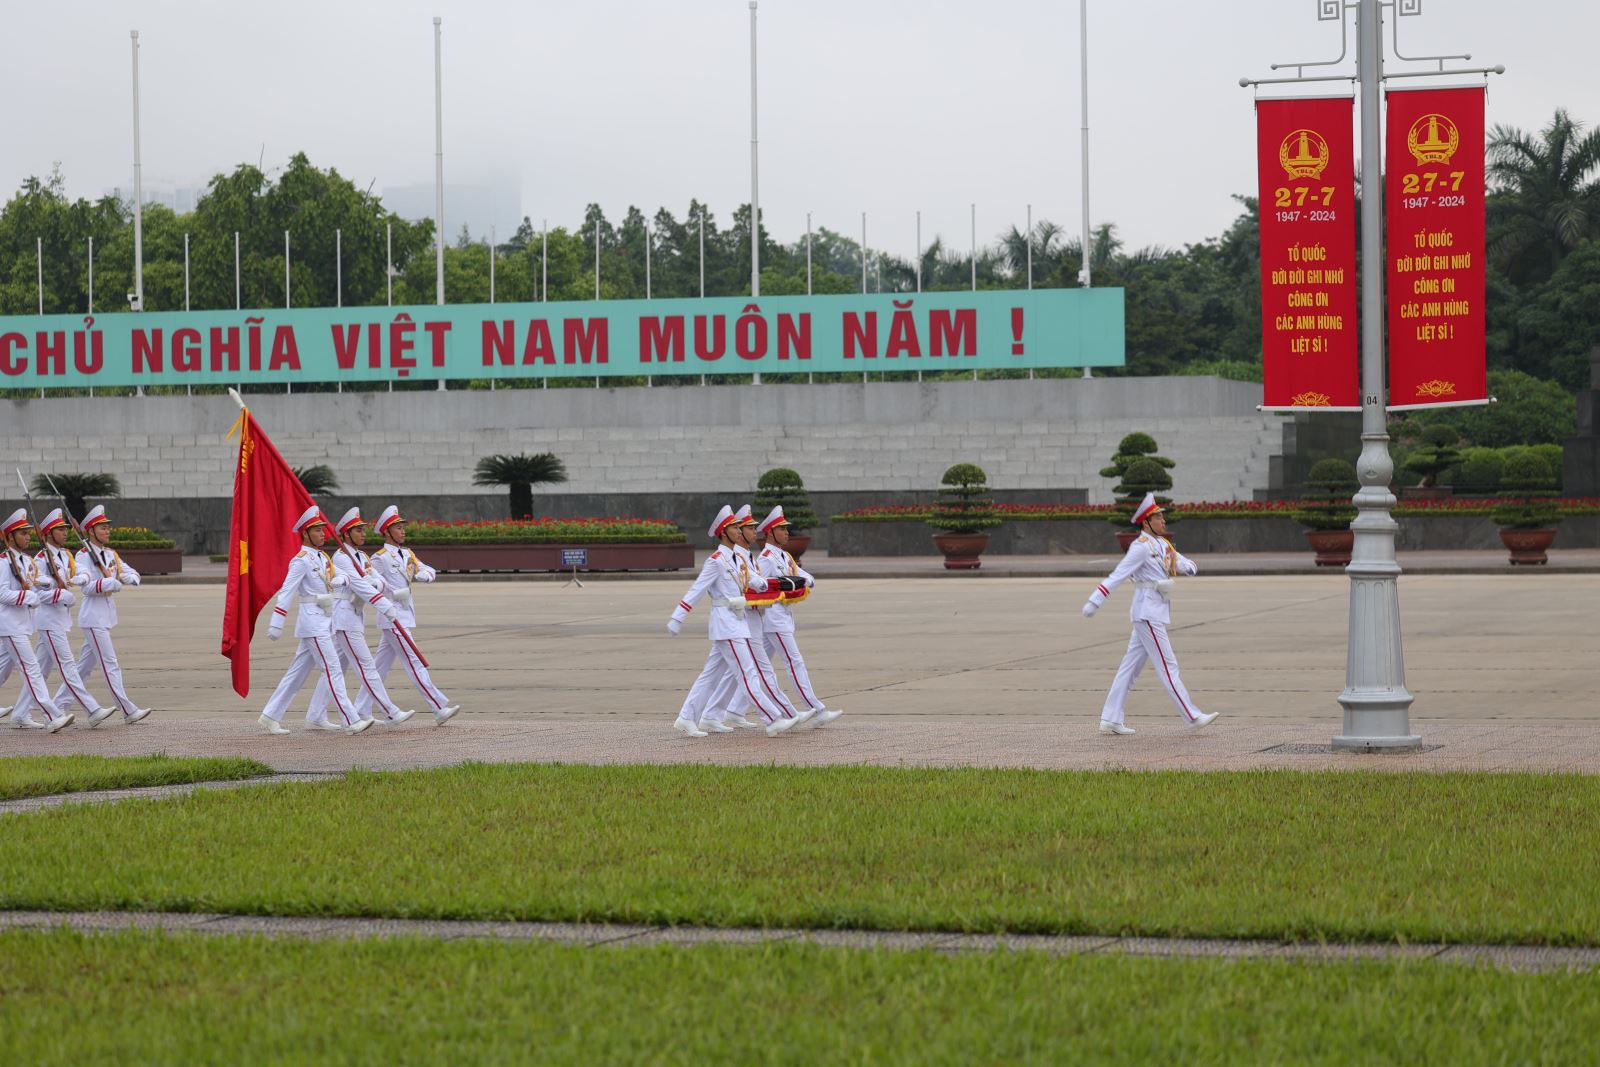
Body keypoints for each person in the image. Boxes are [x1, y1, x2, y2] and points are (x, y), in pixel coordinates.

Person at [1082, 492, 1218, 735]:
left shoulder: (1161, 544)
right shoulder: (1140, 548)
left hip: (1155, 608)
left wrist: (1186, 567)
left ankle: (1111, 718)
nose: (1163, 521)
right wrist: (1096, 599)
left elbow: (1184, 563)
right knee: (1168, 665)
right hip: (1147, 612)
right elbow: (1118, 575)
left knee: (1129, 668)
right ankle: (1192, 715)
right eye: (1158, 517)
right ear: (1146, 522)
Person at [667, 505, 804, 738]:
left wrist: (779, 584)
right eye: (734, 528)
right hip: (726, 623)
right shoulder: (716, 561)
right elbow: (697, 589)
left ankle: (688, 717)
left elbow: (755, 581)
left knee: (710, 674)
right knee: (748, 672)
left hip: (736, 622)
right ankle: (772, 718)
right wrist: (678, 616)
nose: (739, 531)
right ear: (723, 531)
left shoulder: (735, 559)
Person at [257, 507, 372, 736]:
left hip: (323, 620)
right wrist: (277, 621)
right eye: (317, 531)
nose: (323, 534)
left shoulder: (323, 557)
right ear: (305, 534)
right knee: (332, 668)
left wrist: (341, 578)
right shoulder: (300, 561)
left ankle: (270, 716)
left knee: (296, 673)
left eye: (322, 530)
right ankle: (350, 719)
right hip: (312, 622)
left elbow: (340, 575)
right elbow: (287, 591)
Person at [305, 508, 416, 730]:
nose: (363, 534)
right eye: (358, 531)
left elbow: (379, 582)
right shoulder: (341, 557)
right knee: (366, 666)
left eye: (363, 530)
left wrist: (371, 583)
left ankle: (315, 715)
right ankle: (390, 712)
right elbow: (361, 585)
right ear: (346, 534)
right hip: (344, 617)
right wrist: (383, 604)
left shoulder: (362, 557)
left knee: (335, 668)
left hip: (355, 615)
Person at [706, 505, 809, 732]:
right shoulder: (735, 558)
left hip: (751, 618)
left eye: (753, 527)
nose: (755, 532)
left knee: (735, 671)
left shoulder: (746, 557)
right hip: (741, 618)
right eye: (749, 528)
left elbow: (759, 584)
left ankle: (718, 713)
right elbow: (742, 590)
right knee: (755, 670)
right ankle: (780, 714)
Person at [15, 508, 119, 728]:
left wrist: (79, 578)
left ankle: (19, 714)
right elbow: (36, 591)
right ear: (48, 534)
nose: (65, 533)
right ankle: (91, 709)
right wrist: (59, 593)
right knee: (67, 666)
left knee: (41, 670)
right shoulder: (41, 559)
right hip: (48, 620)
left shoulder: (65, 555)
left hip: (60, 620)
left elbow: (81, 573)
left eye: (64, 529)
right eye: (59, 530)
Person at [53, 505, 152, 724]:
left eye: (108, 527)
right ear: (90, 531)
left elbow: (131, 572)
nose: (107, 531)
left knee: (82, 670)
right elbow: (86, 586)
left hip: (105, 618)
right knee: (110, 664)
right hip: (93, 618)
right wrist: (106, 582)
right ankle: (127, 709)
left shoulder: (110, 555)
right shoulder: (83, 555)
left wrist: (129, 579)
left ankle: (57, 706)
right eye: (102, 527)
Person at [362, 506, 459, 726]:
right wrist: (393, 594)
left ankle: (361, 709)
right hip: (392, 617)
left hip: (405, 615)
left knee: (379, 668)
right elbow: (372, 584)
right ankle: (438, 707)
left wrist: (425, 575)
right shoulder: (380, 558)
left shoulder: (407, 554)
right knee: (414, 661)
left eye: (403, 527)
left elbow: (427, 569)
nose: (403, 531)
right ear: (387, 532)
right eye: (398, 527)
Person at [755, 505, 842, 726]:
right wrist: (796, 582)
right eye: (782, 529)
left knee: (755, 667)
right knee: (795, 662)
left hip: (781, 616)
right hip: (773, 618)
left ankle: (731, 711)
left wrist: (803, 580)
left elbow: (802, 576)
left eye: (786, 529)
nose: (787, 533)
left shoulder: (783, 556)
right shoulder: (766, 558)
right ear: (770, 532)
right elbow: (763, 588)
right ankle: (817, 709)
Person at [0, 509, 75, 732]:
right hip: (10, 624)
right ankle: (51, 715)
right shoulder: (3, 563)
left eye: (28, 533)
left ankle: (23, 716)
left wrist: (45, 583)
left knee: (2, 669)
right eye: (22, 534)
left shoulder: (25, 561)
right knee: (31, 669)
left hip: (22, 624)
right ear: (10, 537)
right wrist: (30, 597)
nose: (27, 537)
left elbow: (33, 581)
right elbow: (2, 594)